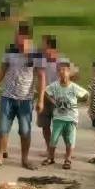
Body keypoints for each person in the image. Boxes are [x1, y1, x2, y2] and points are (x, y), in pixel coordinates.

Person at [0, 25, 43, 171]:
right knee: (2, 129)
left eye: (19, 37)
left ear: (27, 38)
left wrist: (41, 100)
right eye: (16, 36)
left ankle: (25, 159)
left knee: (25, 131)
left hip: (26, 99)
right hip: (7, 96)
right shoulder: (10, 50)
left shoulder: (36, 54)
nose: (16, 40)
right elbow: (2, 69)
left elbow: (41, 76)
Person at [35, 35, 77, 166]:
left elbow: (75, 74)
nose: (42, 48)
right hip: (45, 97)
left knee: (64, 127)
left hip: (61, 100)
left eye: (44, 45)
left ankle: (67, 155)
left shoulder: (63, 61)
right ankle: (50, 152)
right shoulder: (41, 60)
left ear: (51, 47)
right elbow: (38, 79)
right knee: (45, 125)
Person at [40, 60, 87, 170]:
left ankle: (68, 159)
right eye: (60, 70)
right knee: (54, 138)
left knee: (70, 140)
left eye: (64, 70)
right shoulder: (55, 86)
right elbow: (45, 91)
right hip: (58, 117)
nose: (62, 72)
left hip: (71, 118)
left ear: (69, 73)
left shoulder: (74, 87)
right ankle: (50, 157)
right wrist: (53, 101)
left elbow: (86, 94)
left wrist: (77, 104)